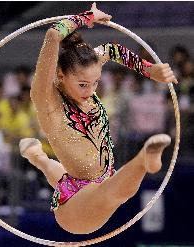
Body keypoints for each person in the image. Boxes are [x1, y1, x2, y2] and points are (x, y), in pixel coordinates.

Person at [19, 3, 177, 234]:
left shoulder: (87, 67)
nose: (90, 90)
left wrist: (149, 70)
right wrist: (88, 16)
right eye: (83, 84)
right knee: (115, 192)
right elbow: (53, 35)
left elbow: (112, 51)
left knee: (102, 188)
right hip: (74, 212)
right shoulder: (47, 99)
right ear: (61, 76)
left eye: (95, 83)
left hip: (87, 181)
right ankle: (144, 160)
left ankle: (36, 156)